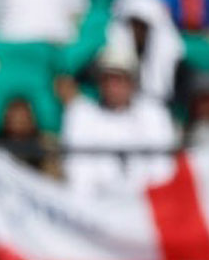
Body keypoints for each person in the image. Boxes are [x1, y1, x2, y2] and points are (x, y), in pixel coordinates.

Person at [60, 42, 178, 195]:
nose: (111, 86)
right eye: (106, 79)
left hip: (144, 203)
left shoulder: (153, 115)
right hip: (97, 206)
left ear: (132, 82)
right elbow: (78, 174)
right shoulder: (81, 115)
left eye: (118, 79)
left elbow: (163, 170)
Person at [106, 0, 184, 102]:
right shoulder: (105, 53)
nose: (137, 31)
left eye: (143, 26)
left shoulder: (174, 56)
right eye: (134, 24)